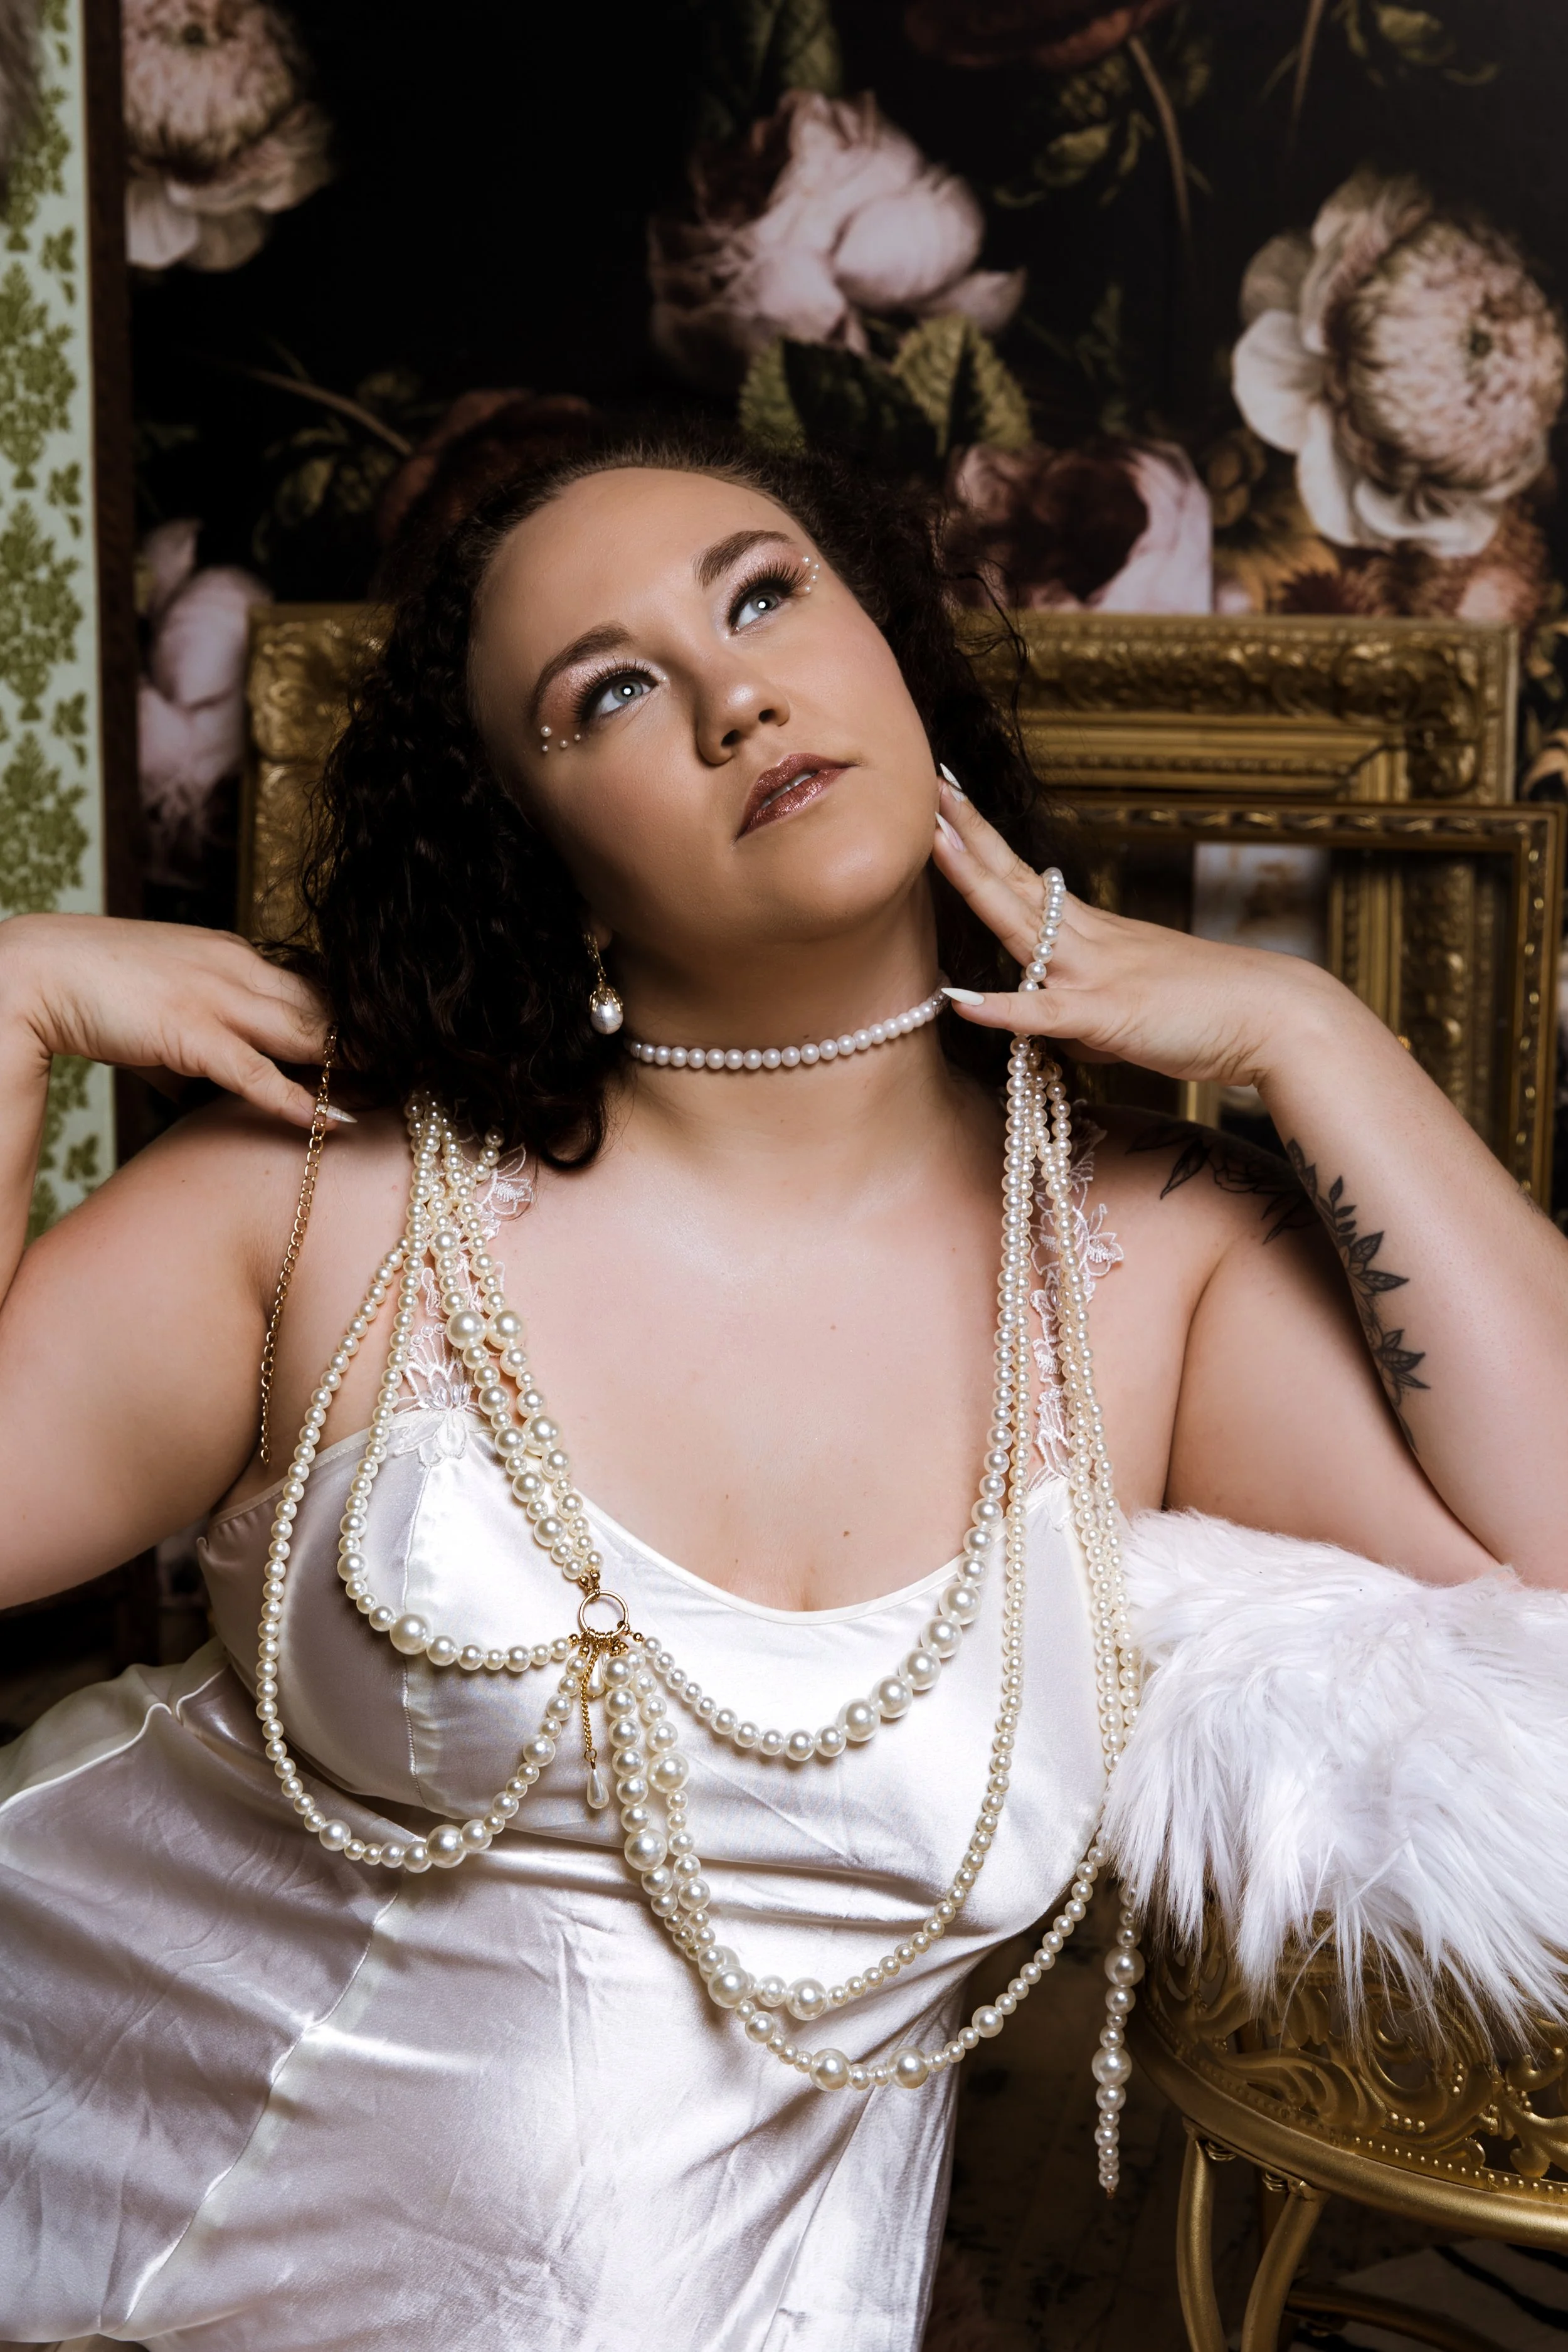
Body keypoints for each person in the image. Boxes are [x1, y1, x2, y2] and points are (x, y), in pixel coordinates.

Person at [2, 434, 1566, 2352]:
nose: (734, 691)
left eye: (761, 596)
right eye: (611, 692)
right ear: (539, 840)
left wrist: (1300, 1031)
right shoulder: (330, 1204)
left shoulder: (1155, 1267)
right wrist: (7, 1011)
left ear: (890, 654)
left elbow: (1551, 1562)